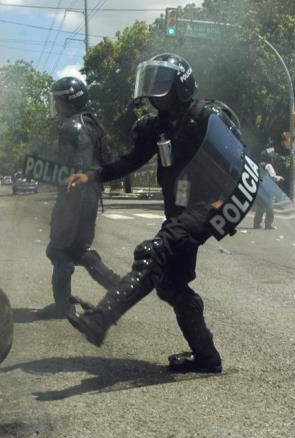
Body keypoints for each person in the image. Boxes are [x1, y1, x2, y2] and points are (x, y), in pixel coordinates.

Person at [64, 53, 255, 373]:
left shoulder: (206, 117)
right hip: (181, 213)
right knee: (171, 285)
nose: (154, 94)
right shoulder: (155, 128)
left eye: (161, 85)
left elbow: (236, 162)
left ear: (180, 86)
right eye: (151, 86)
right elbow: (129, 161)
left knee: (151, 252)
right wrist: (92, 175)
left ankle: (100, 320)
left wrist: (225, 204)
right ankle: (207, 358)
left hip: (209, 206)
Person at [36, 76, 121, 320]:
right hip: (91, 195)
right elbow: (102, 163)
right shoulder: (93, 124)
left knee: (58, 250)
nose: (57, 106)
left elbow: (68, 168)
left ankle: (63, 306)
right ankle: (118, 287)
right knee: (77, 248)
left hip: (73, 197)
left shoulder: (70, 127)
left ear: (69, 101)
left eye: (59, 101)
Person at [253, 151, 283, 229]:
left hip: (259, 188)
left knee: (260, 208)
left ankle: (256, 224)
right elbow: (273, 177)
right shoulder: (268, 165)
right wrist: (280, 178)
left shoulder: (259, 164)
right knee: (270, 208)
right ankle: (268, 224)